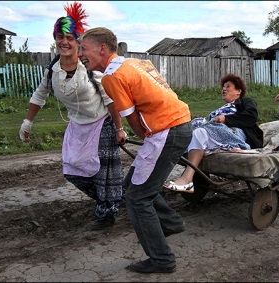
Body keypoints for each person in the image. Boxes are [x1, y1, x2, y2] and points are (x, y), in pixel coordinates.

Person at [78, 27, 193, 274]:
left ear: (102, 48)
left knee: (137, 198)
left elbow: (131, 119)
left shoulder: (112, 77)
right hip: (178, 124)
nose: (79, 55)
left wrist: (147, 140)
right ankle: (171, 223)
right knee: (133, 187)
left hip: (166, 131)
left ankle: (162, 260)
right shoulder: (135, 63)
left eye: (83, 49)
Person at [18, 2, 125, 231]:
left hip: (102, 124)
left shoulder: (89, 67)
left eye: (69, 37)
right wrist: (28, 122)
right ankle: (115, 197)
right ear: (54, 38)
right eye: (59, 36)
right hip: (77, 125)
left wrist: (119, 129)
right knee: (72, 169)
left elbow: (110, 100)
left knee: (101, 172)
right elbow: (39, 95)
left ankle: (106, 213)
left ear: (78, 41)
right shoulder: (53, 69)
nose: (64, 42)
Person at [164, 73, 264, 192]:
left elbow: (252, 116)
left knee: (200, 133)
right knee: (186, 129)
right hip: (216, 133)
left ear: (238, 91)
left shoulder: (245, 101)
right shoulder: (224, 107)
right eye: (223, 87)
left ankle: (187, 179)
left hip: (236, 134)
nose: (224, 89)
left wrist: (226, 119)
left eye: (228, 86)